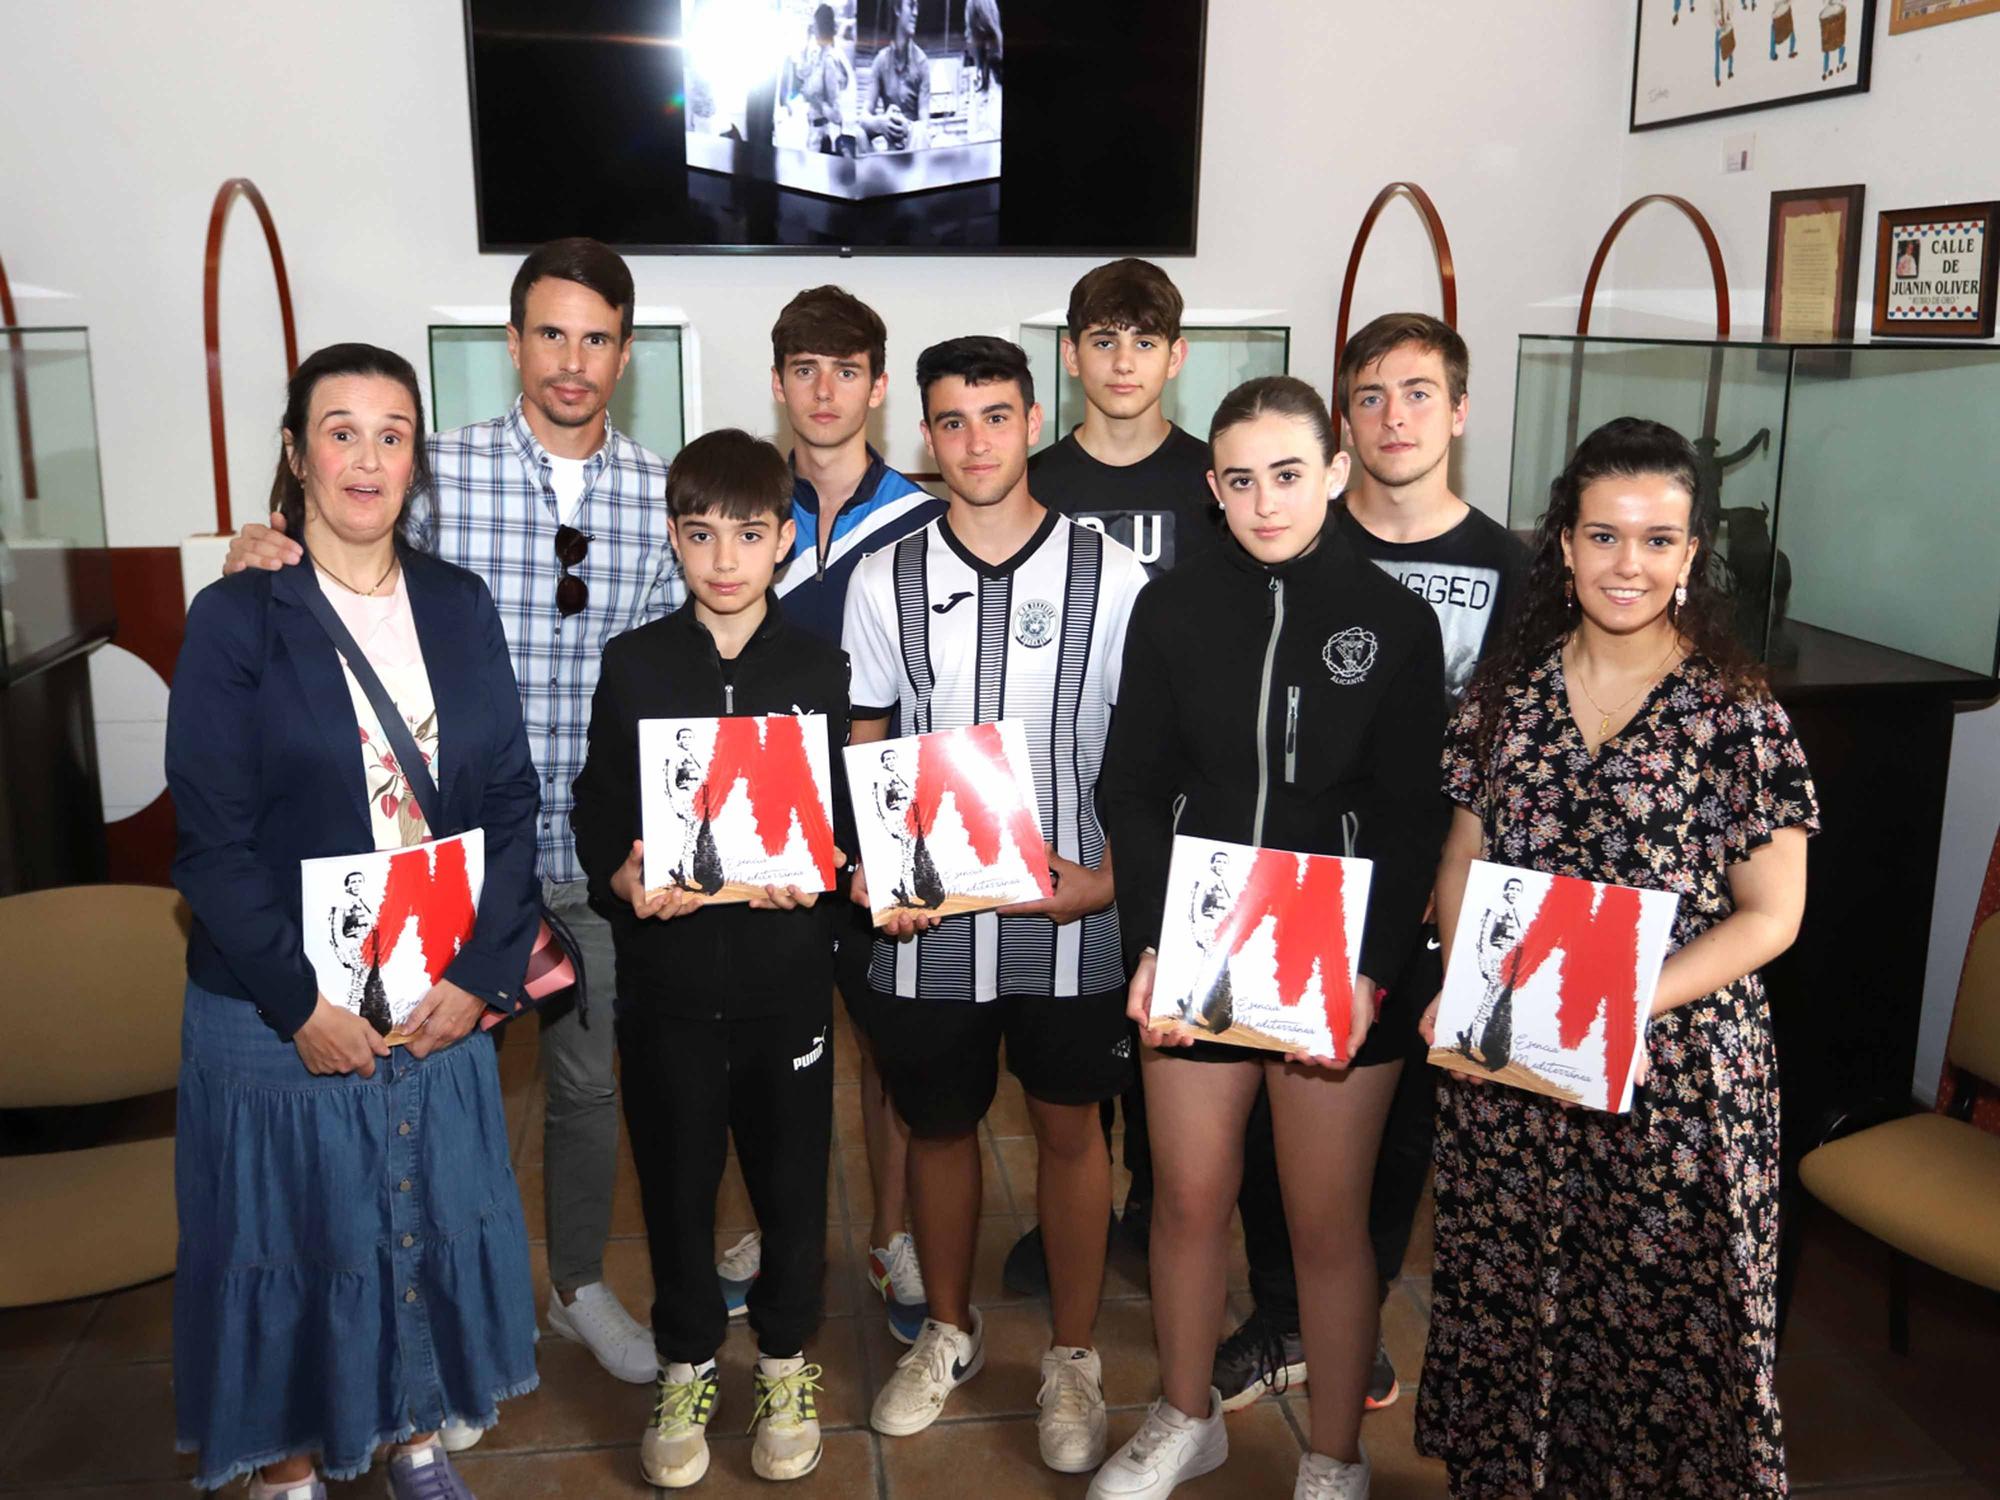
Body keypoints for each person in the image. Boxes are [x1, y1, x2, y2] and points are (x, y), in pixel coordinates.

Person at [223, 238, 677, 1412]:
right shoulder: (436, 470)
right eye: (548, 334)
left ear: (624, 353)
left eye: (596, 338)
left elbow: (682, 674)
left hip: (587, 859)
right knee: (413, 1109)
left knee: (582, 1093)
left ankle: (577, 1282)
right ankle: (424, 1349)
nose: (571, 361)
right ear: (512, 343)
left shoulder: (657, 490)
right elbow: (332, 553)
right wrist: (259, 551)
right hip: (428, 872)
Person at [1414, 417, 1817, 1497]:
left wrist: (1613, 1002)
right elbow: (1461, 858)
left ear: (1690, 557)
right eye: (1601, 535)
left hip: (1673, 1079)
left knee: (1662, 1336)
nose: (1624, 564)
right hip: (1518, 1072)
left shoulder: (1735, 715)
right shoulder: (1503, 695)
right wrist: (1468, 983)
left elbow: (1769, 916)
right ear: (1561, 544)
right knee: (1517, 1308)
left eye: (1655, 540)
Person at [169, 344, 542, 1499]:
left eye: (391, 433)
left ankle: (413, 1440)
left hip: (435, 994)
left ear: (416, 459)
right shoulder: (239, 619)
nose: (367, 458)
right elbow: (212, 846)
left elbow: (511, 804)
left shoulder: (456, 602)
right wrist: (300, 1005)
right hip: (282, 1009)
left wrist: (483, 976)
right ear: (295, 453)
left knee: (415, 1227)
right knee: (291, 1247)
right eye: (340, 430)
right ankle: (288, 1472)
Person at [1089, 375, 1447, 1500]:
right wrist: (1150, 942)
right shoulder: (1172, 606)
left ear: (1335, 472)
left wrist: (1370, 975)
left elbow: (1408, 816)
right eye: (1238, 480)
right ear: (1211, 488)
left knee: (1324, 1225)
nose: (1264, 501)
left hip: (1341, 965)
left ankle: (1334, 1457)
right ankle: (1184, 1415)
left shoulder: (1395, 619)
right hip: (1198, 953)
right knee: (1187, 1201)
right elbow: (1131, 788)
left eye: (1287, 474)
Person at [843, 336, 1150, 1473]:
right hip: (930, 918)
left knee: (1071, 1127)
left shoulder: (1109, 573)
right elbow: (867, 736)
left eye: (995, 415)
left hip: (1071, 909)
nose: (974, 440)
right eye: (951, 421)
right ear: (927, 434)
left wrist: (1113, 875)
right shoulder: (886, 576)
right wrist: (877, 864)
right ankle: (949, 1329)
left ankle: (1071, 1356)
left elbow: (1145, 746)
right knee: (936, 1126)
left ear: (1034, 418)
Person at [1219, 314, 1527, 1416]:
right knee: (1264, 1114)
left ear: (1458, 411)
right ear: (1341, 426)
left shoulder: (1513, 568)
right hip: (1288, 894)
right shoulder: (1291, 532)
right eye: (1368, 395)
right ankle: (1277, 1314)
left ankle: (1355, 1306)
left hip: (1447, 878)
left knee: (1400, 1122)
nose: (1393, 416)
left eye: (1416, 393)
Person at [571, 429, 854, 1488]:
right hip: (670, 989)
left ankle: (784, 1358)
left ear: (785, 539)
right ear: (675, 540)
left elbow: (841, 824)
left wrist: (825, 860)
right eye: (699, 535)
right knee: (677, 1184)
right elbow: (599, 808)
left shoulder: (817, 666)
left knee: (792, 1184)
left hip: (787, 983)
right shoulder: (634, 662)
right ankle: (686, 1359)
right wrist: (624, 873)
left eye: (747, 533)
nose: (723, 558)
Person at [717, 286, 946, 1347]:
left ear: (877, 385)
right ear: (777, 383)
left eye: (845, 369)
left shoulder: (924, 515)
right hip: (761, 827)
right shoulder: (740, 511)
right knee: (750, 1044)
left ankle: (890, 1234)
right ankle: (752, 1232)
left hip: (877, 832)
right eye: (803, 368)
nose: (823, 389)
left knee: (888, 1050)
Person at [1002, 256, 1218, 1295]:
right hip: (1067, 778)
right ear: (1072, 354)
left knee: (1173, 1002)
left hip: (1190, 783)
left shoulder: (1216, 480)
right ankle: (1073, 1208)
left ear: (1175, 357)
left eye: (1142, 340)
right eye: (1102, 339)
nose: (1122, 360)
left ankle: (1154, 1204)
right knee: (1085, 1010)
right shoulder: (1036, 480)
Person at [860, 0, 930, 151]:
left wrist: (908, 127)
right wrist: (881, 123)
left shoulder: (922, 62)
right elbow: (864, 115)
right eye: (911, 5)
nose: (916, 13)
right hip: (889, 145)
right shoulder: (880, 61)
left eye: (918, 7)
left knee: (919, 132)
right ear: (897, 9)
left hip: (914, 147)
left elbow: (925, 122)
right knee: (858, 134)